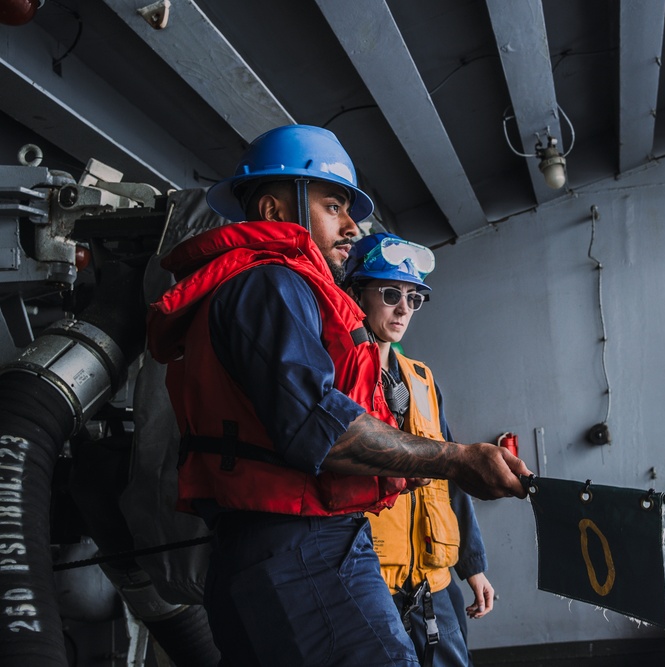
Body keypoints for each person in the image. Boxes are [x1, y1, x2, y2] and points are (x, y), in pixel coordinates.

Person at [145, 124, 530, 667]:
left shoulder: (259, 288)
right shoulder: (270, 285)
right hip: (302, 551)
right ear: (275, 210)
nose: (352, 226)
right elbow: (320, 430)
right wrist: (457, 459)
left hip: (272, 549)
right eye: (334, 206)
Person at [344, 233, 494, 667]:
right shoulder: (338, 374)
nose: (404, 308)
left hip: (434, 579)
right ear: (356, 294)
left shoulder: (422, 379)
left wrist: (473, 566)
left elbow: (454, 474)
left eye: (413, 297)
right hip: (370, 580)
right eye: (391, 294)